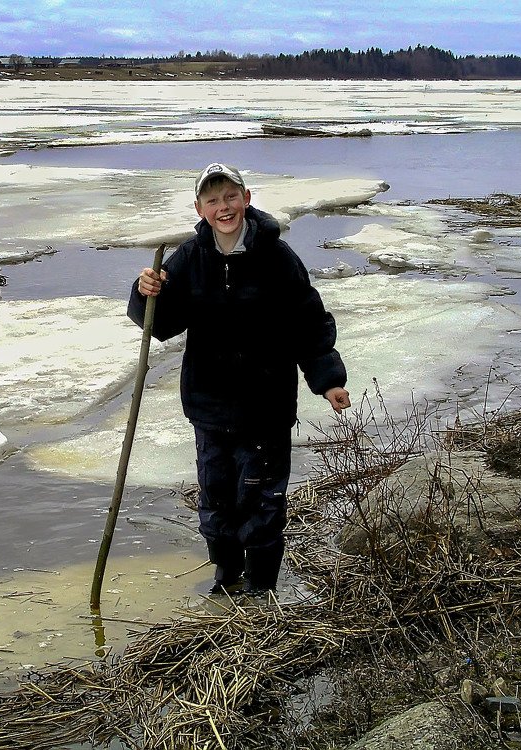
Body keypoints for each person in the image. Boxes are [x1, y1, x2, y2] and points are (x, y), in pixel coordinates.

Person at [127, 163, 351, 596]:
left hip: (265, 407)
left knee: (262, 502)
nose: (223, 207)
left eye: (230, 196)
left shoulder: (277, 256)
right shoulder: (190, 257)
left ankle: (262, 586)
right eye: (212, 200)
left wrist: (328, 380)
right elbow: (161, 323)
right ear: (199, 208)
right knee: (216, 500)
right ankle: (226, 578)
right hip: (208, 407)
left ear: (246, 199)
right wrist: (145, 292)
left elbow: (308, 323)